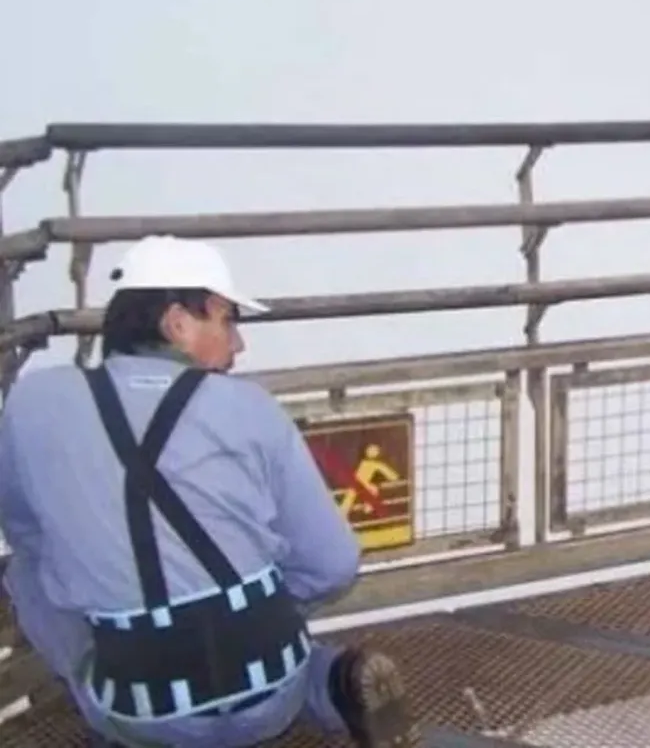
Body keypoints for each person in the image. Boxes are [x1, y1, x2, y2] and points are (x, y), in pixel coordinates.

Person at [0, 235, 420, 747]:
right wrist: (242, 610)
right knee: (276, 642)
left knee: (24, 568)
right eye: (226, 319)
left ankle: (116, 711)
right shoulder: (250, 407)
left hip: (145, 705)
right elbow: (334, 564)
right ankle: (330, 681)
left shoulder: (33, 403)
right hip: (269, 688)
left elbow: (26, 531)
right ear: (177, 323)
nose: (238, 343)